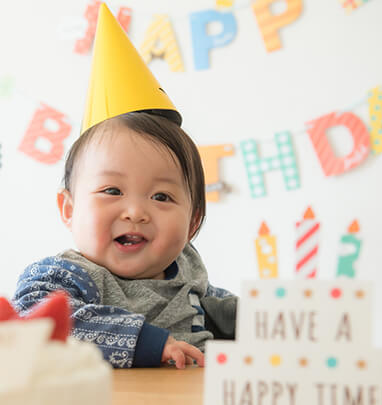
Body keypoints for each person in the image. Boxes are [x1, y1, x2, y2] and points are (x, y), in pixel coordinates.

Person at [12, 3, 237, 369]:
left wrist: (275, 322)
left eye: (161, 196)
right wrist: (147, 342)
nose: (135, 212)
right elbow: (39, 321)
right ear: (69, 209)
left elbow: (224, 311)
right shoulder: (66, 277)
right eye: (112, 191)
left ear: (193, 222)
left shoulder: (189, 274)